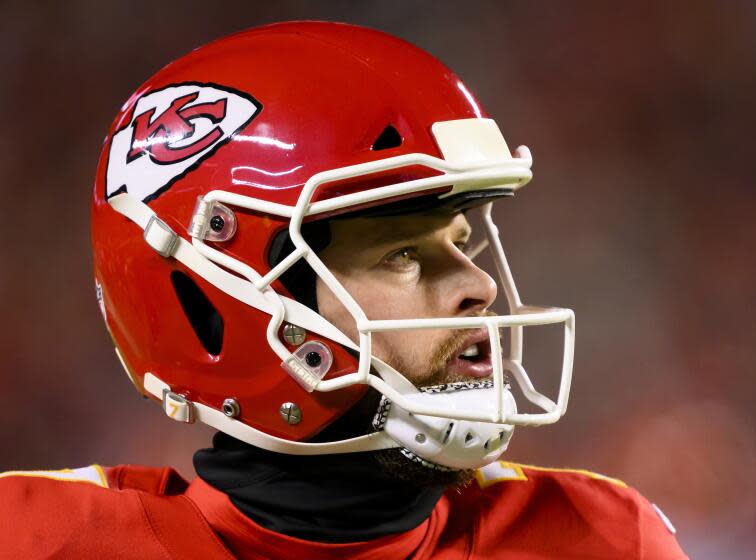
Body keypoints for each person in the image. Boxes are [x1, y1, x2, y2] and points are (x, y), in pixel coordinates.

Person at [0, 21, 688, 559]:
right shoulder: (40, 541)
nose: (478, 287)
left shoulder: (598, 539)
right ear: (221, 302)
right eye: (402, 255)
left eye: (459, 242)